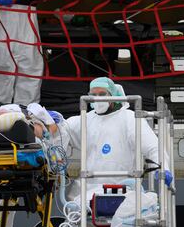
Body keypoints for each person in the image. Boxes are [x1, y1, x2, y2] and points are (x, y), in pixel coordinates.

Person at [58, 77, 171, 205]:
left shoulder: (129, 119)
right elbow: (61, 132)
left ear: (113, 95)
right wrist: (49, 120)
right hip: (87, 194)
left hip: (122, 191)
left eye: (102, 94)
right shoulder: (85, 120)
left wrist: (162, 169)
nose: (98, 98)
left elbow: (152, 147)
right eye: (93, 95)